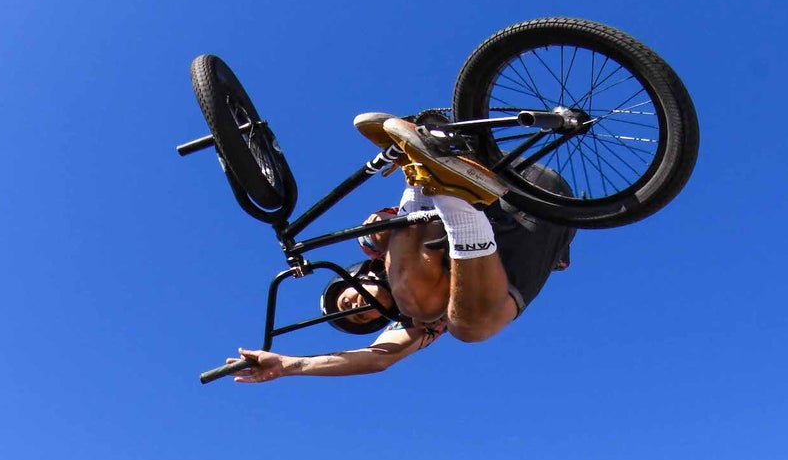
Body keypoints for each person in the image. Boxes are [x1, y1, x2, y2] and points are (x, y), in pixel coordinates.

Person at [230, 118, 572, 384]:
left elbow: (376, 232)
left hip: (506, 183)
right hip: (542, 225)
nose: (357, 306)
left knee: (374, 236)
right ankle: (443, 188)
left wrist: (379, 230)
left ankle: (425, 169)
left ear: (354, 278)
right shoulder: (419, 319)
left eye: (347, 302)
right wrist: (292, 365)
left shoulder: (377, 250)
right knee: (464, 327)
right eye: (363, 316)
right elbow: (378, 357)